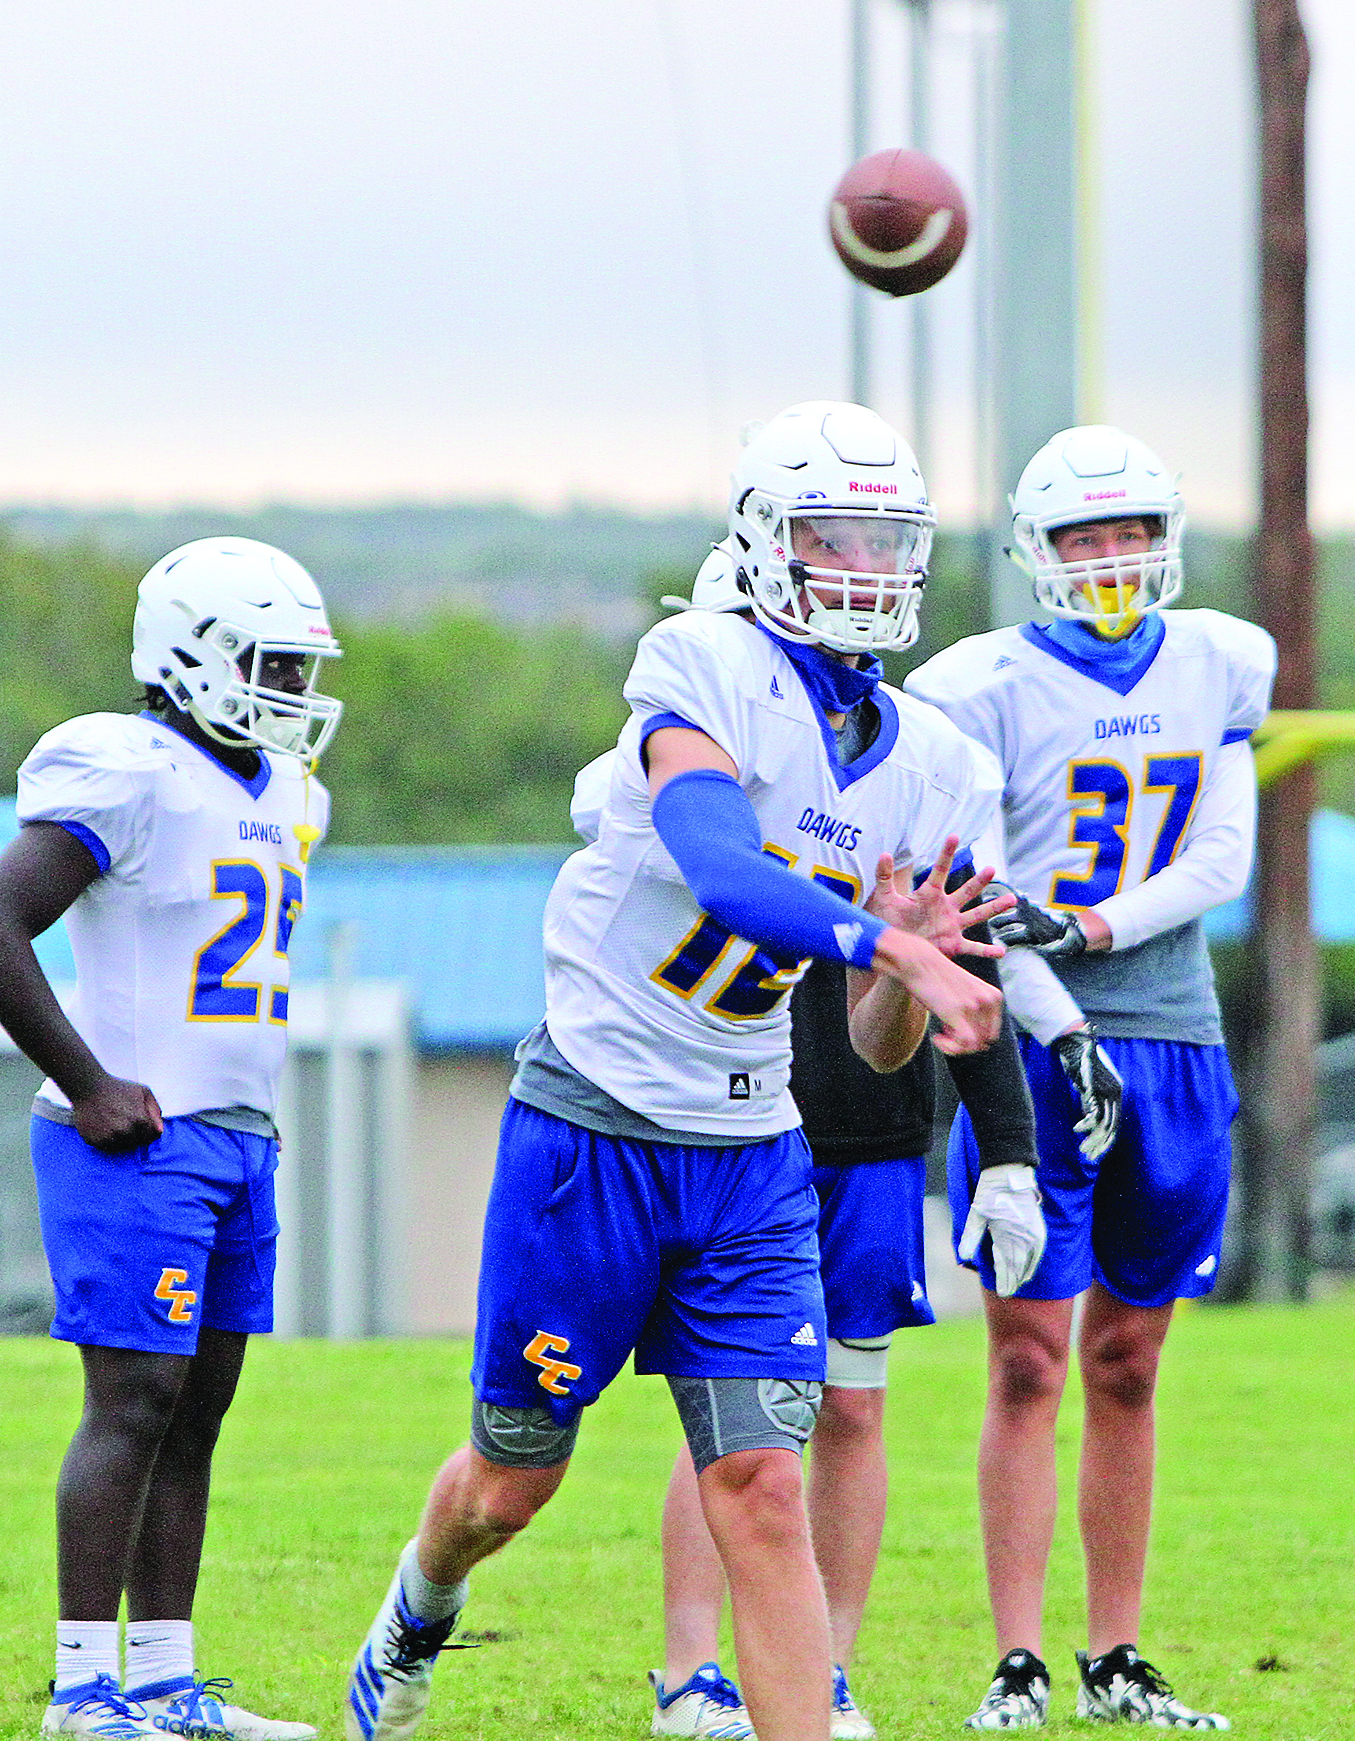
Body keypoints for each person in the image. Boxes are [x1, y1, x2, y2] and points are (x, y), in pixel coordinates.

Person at [341, 403, 1008, 1741]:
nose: (868, 570)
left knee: (762, 1485)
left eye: (889, 541)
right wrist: (891, 941)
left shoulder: (941, 765)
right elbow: (718, 862)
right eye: (836, 539)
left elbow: (876, 1039)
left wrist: (898, 977)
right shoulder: (702, 662)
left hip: (752, 1146)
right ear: (765, 542)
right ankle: (417, 1605)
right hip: (592, 1129)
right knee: (511, 1482)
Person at [608, 548, 1050, 1741]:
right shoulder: (696, 744)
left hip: (865, 1121)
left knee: (849, 1402)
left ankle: (824, 1669)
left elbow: (958, 958)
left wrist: (1006, 1145)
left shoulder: (913, 763)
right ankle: (694, 1668)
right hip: (719, 1108)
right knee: (734, 1417)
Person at [908, 426, 1273, 1731]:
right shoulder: (977, 687)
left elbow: (1222, 858)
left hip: (1171, 1030)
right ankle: (1017, 1660)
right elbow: (977, 891)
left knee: (1130, 1357)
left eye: (1130, 532)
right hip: (1029, 1031)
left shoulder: (1221, 659)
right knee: (1026, 1359)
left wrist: (1097, 930)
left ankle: (1116, 1658)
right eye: (1082, 537)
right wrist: (1061, 1020)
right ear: (1034, 552)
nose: (1112, 560)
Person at [0, 537, 343, 1741]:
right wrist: (86, 1079)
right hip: (139, 1134)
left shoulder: (290, 789)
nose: (290, 684)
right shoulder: (124, 768)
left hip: (237, 1128)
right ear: (194, 652)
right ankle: (82, 1689)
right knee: (134, 1400)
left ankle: (169, 1680)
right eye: (268, 658)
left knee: (199, 1408)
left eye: (299, 661)